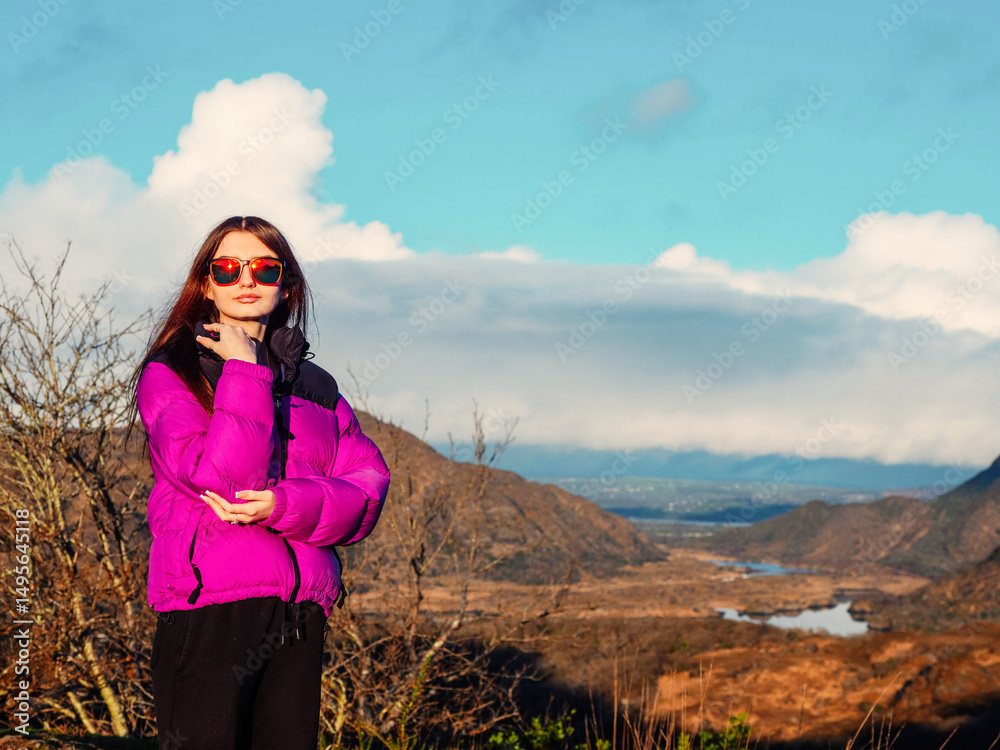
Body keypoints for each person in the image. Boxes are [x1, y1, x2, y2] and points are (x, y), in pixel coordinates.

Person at [127, 215, 390, 750]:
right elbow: (222, 481)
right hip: (211, 610)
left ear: (286, 283)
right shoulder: (172, 371)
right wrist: (245, 370)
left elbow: (365, 491)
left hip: (298, 616)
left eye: (264, 268)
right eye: (227, 268)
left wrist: (284, 502)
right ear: (206, 284)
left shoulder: (315, 386)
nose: (245, 279)